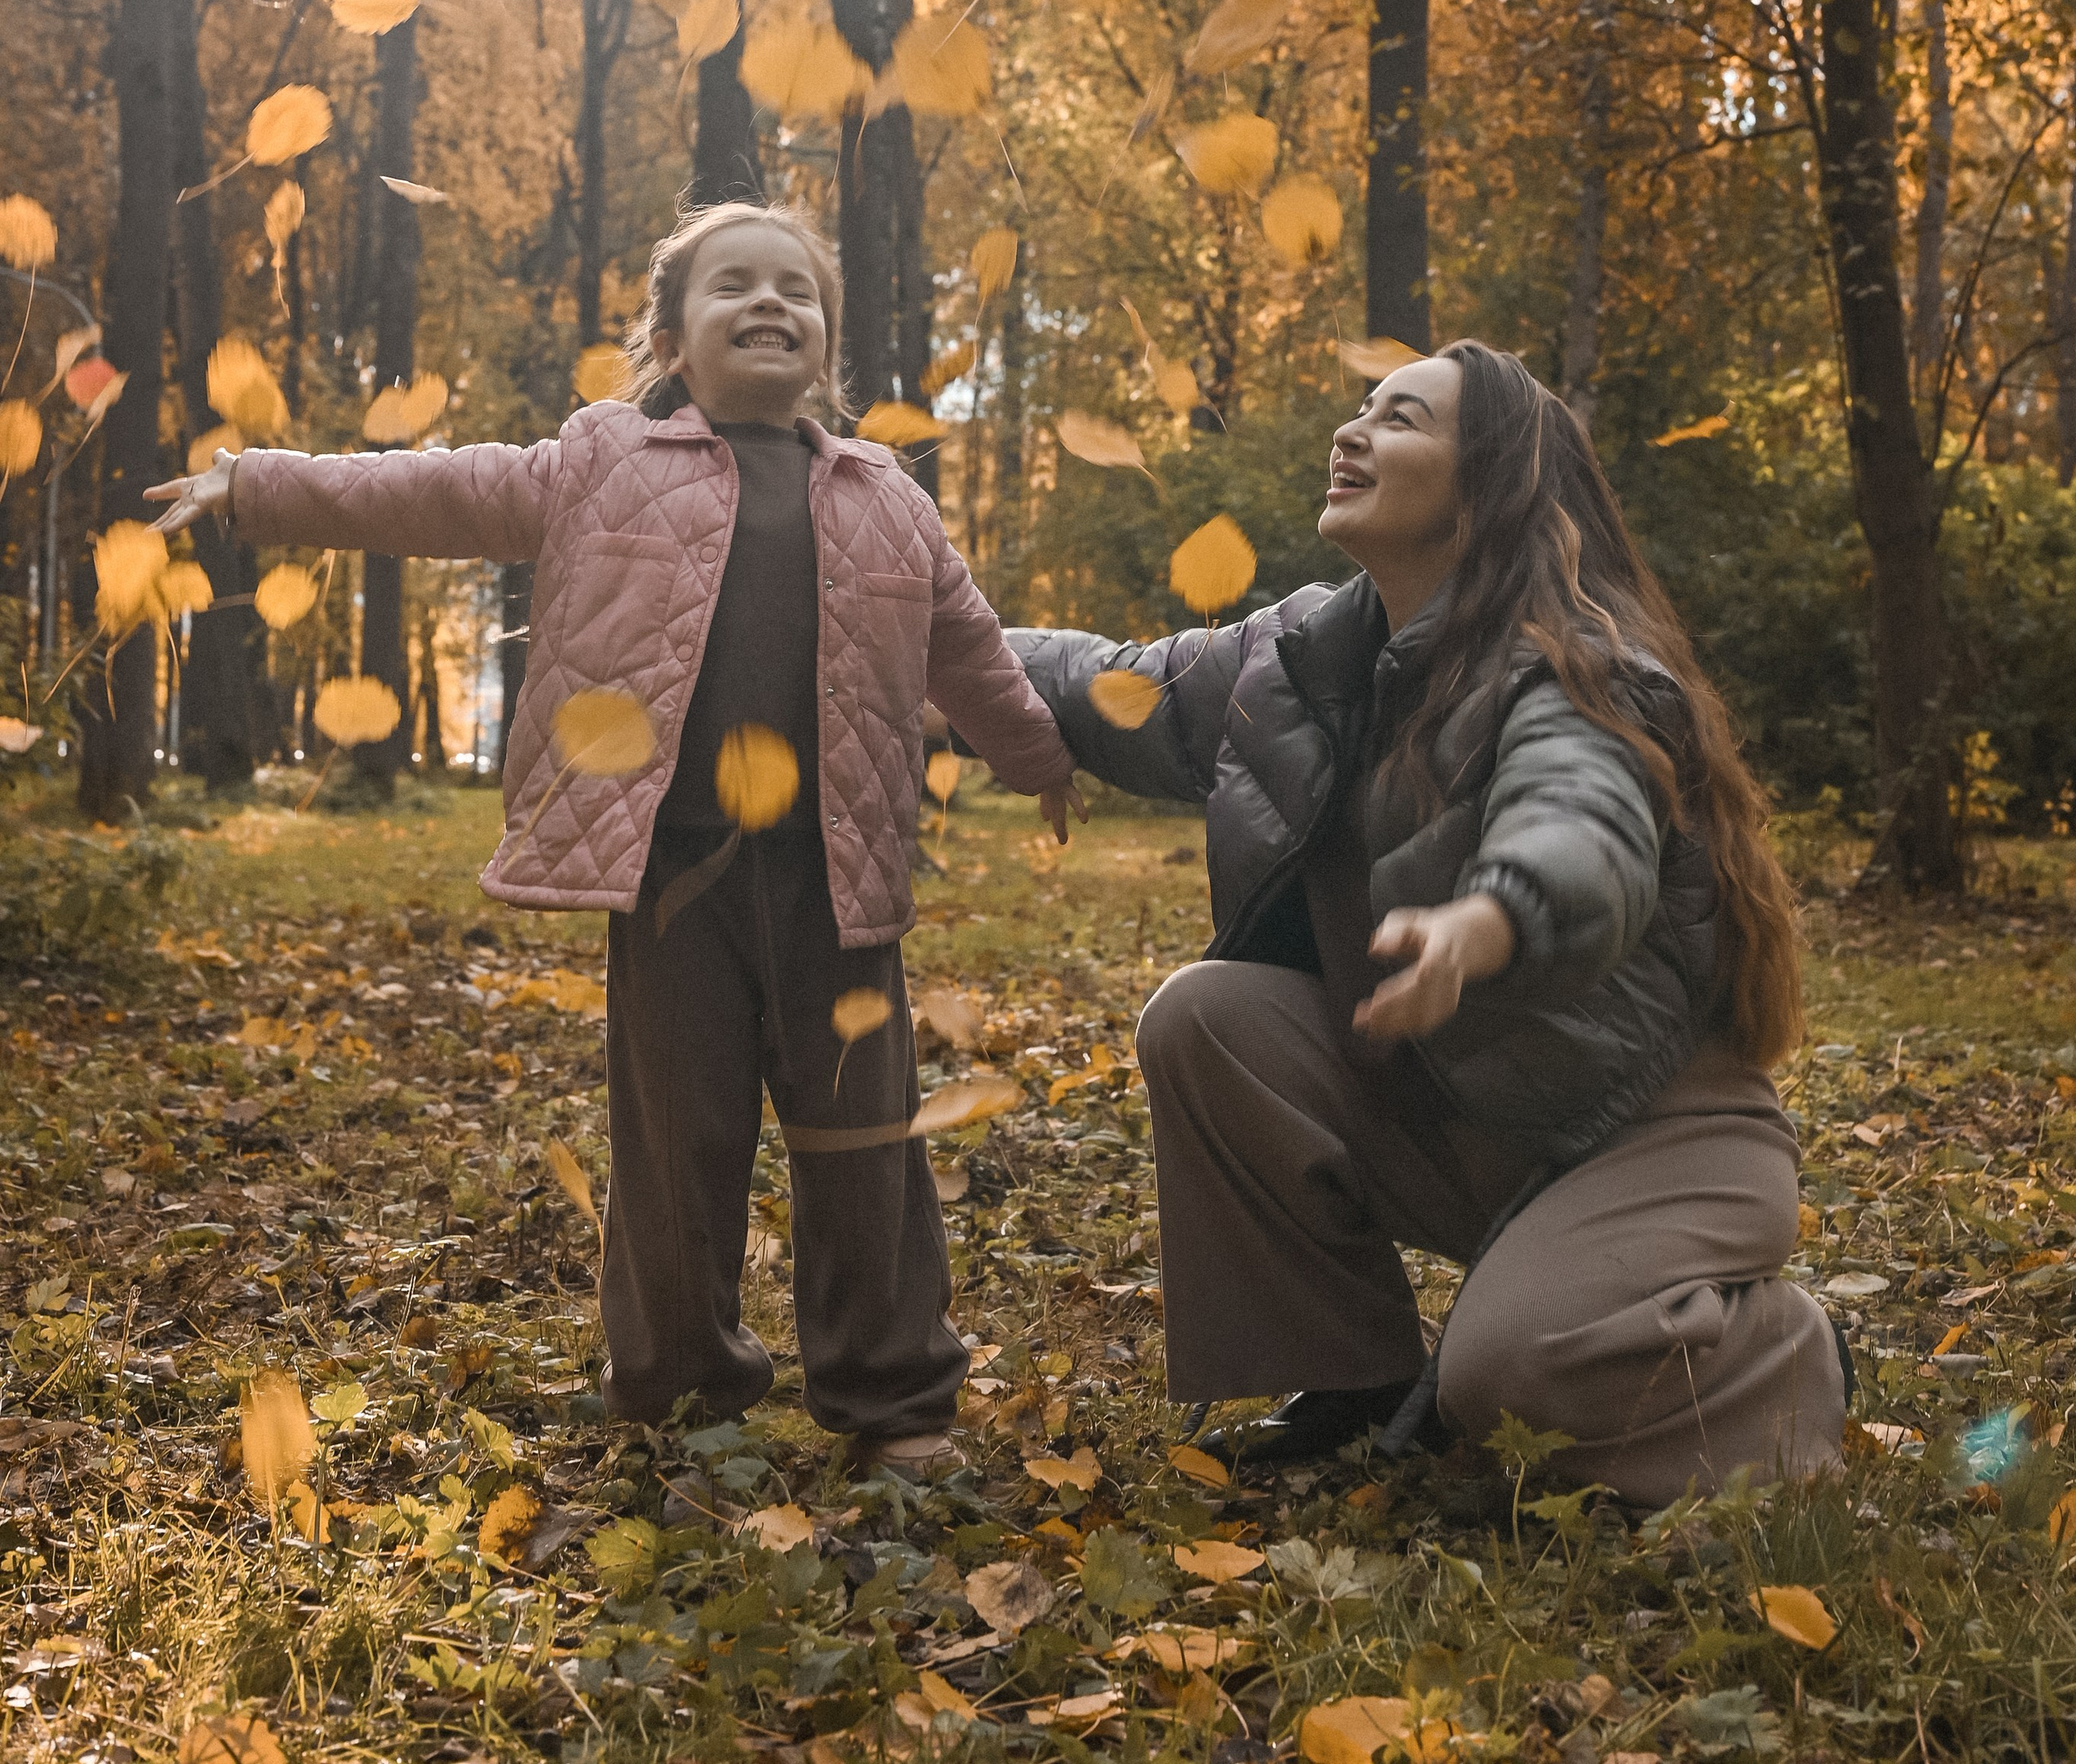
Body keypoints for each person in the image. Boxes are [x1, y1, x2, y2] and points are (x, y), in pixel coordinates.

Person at [149, 201, 1082, 1470]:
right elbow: (435, 489)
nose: (769, 306)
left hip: (839, 880)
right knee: (675, 1144)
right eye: (733, 287)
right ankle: (684, 1391)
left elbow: (968, 649)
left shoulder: (884, 496)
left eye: (796, 292)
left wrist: (1035, 754)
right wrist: (254, 482)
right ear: (672, 340)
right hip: (675, 878)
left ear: (828, 343)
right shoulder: (601, 458)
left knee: (864, 1143)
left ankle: (891, 1397)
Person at [1009, 341, 1844, 1504]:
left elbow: (1585, 819)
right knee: (1205, 1018)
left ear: (1487, 484)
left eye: (1400, 421)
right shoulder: (1294, 658)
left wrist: (1490, 918)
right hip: (1467, 1118)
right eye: (1361, 409)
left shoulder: (1582, 666)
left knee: (1508, 1379)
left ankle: (1784, 1361)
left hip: (1652, 1133)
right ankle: (1343, 1377)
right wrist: (922, 632)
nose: (1353, 433)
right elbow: (1104, 685)